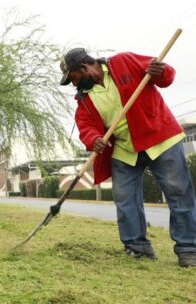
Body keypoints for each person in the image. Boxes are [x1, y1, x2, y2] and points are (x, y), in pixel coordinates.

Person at [60, 47, 196, 267]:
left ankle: (189, 249)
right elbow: (85, 127)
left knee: (179, 193)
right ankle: (137, 247)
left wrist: (159, 71)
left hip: (160, 139)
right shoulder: (84, 100)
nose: (74, 84)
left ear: (83, 67)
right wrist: (94, 138)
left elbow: (166, 76)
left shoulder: (124, 62)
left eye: (73, 78)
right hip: (125, 150)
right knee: (125, 200)